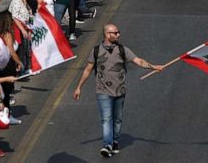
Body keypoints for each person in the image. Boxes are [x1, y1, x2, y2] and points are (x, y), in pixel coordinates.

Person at [71, 24, 165, 158]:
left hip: (119, 91)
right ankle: (107, 144)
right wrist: (79, 87)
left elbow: (138, 61)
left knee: (117, 119)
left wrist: (153, 67)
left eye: (118, 32)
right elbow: (88, 69)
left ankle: (114, 141)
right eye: (115, 33)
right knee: (106, 118)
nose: (118, 35)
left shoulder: (123, 50)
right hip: (102, 91)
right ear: (107, 35)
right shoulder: (96, 51)